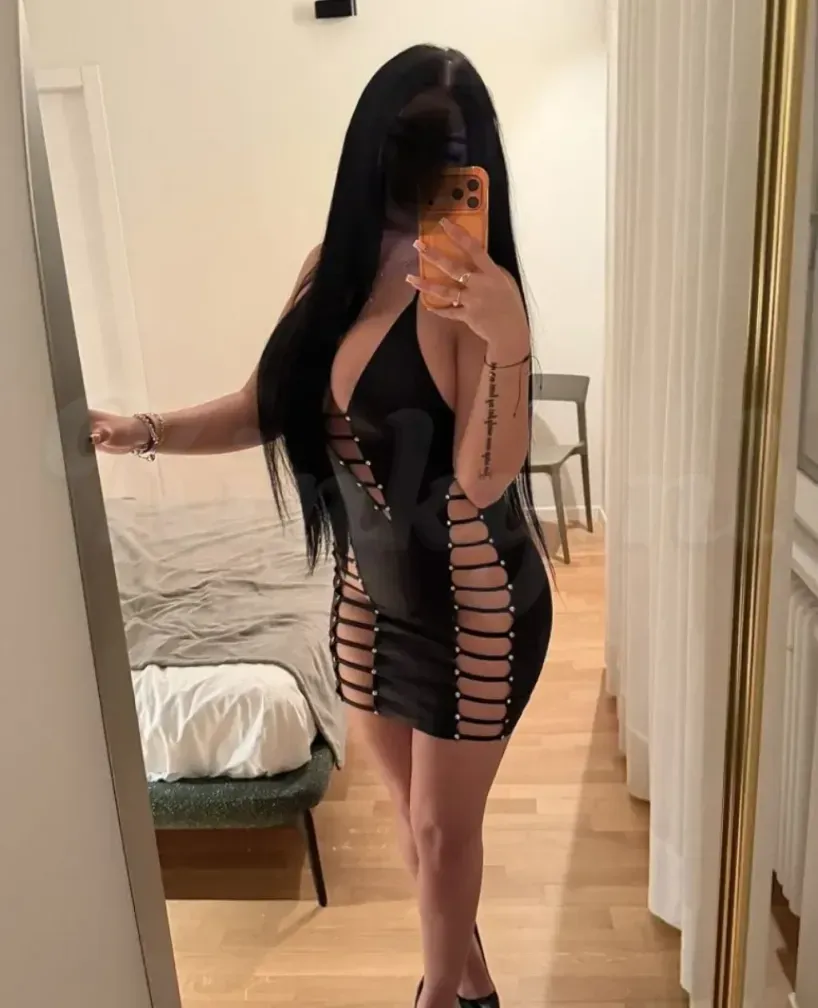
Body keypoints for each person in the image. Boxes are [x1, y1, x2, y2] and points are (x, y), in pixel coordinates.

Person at [91, 44, 553, 1008]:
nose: (420, 167)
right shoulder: (327, 273)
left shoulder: (472, 292)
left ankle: (437, 996)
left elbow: (483, 477)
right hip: (366, 597)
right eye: (405, 140)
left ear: (476, 162)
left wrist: (507, 340)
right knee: (415, 822)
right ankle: (473, 989)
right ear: (368, 145)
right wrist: (141, 431)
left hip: (473, 602)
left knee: (442, 832)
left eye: (446, 147)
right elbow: (263, 405)